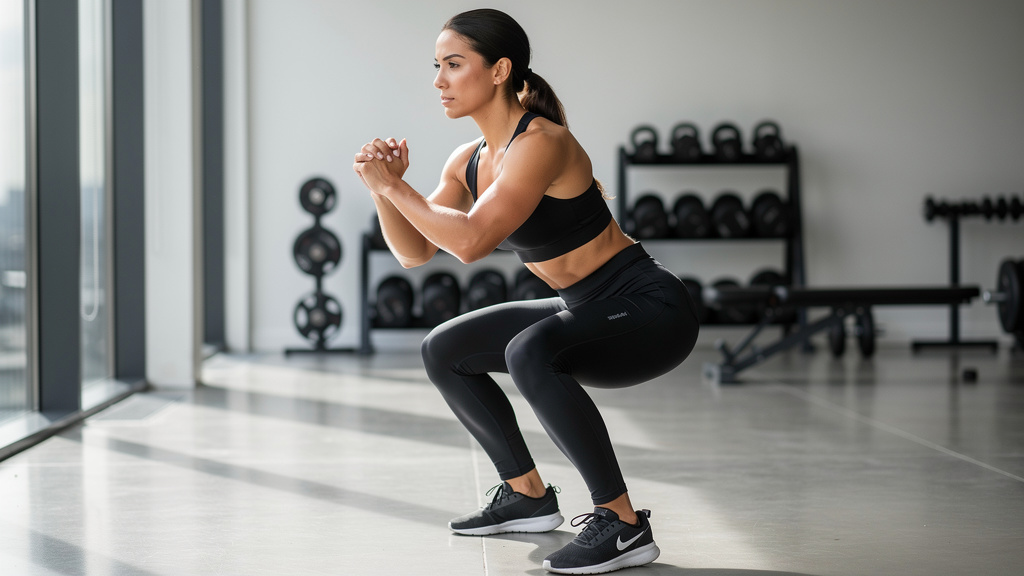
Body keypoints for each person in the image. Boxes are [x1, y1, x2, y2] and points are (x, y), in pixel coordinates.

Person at [353, 8, 700, 574]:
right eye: (437, 66)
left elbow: (469, 243)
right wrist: (381, 191)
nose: (439, 79)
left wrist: (397, 186)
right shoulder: (467, 161)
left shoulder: (540, 142)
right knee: (444, 349)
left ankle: (624, 526)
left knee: (529, 349)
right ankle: (527, 495)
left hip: (649, 309)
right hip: (584, 307)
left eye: (454, 64)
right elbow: (414, 254)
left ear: (499, 70)